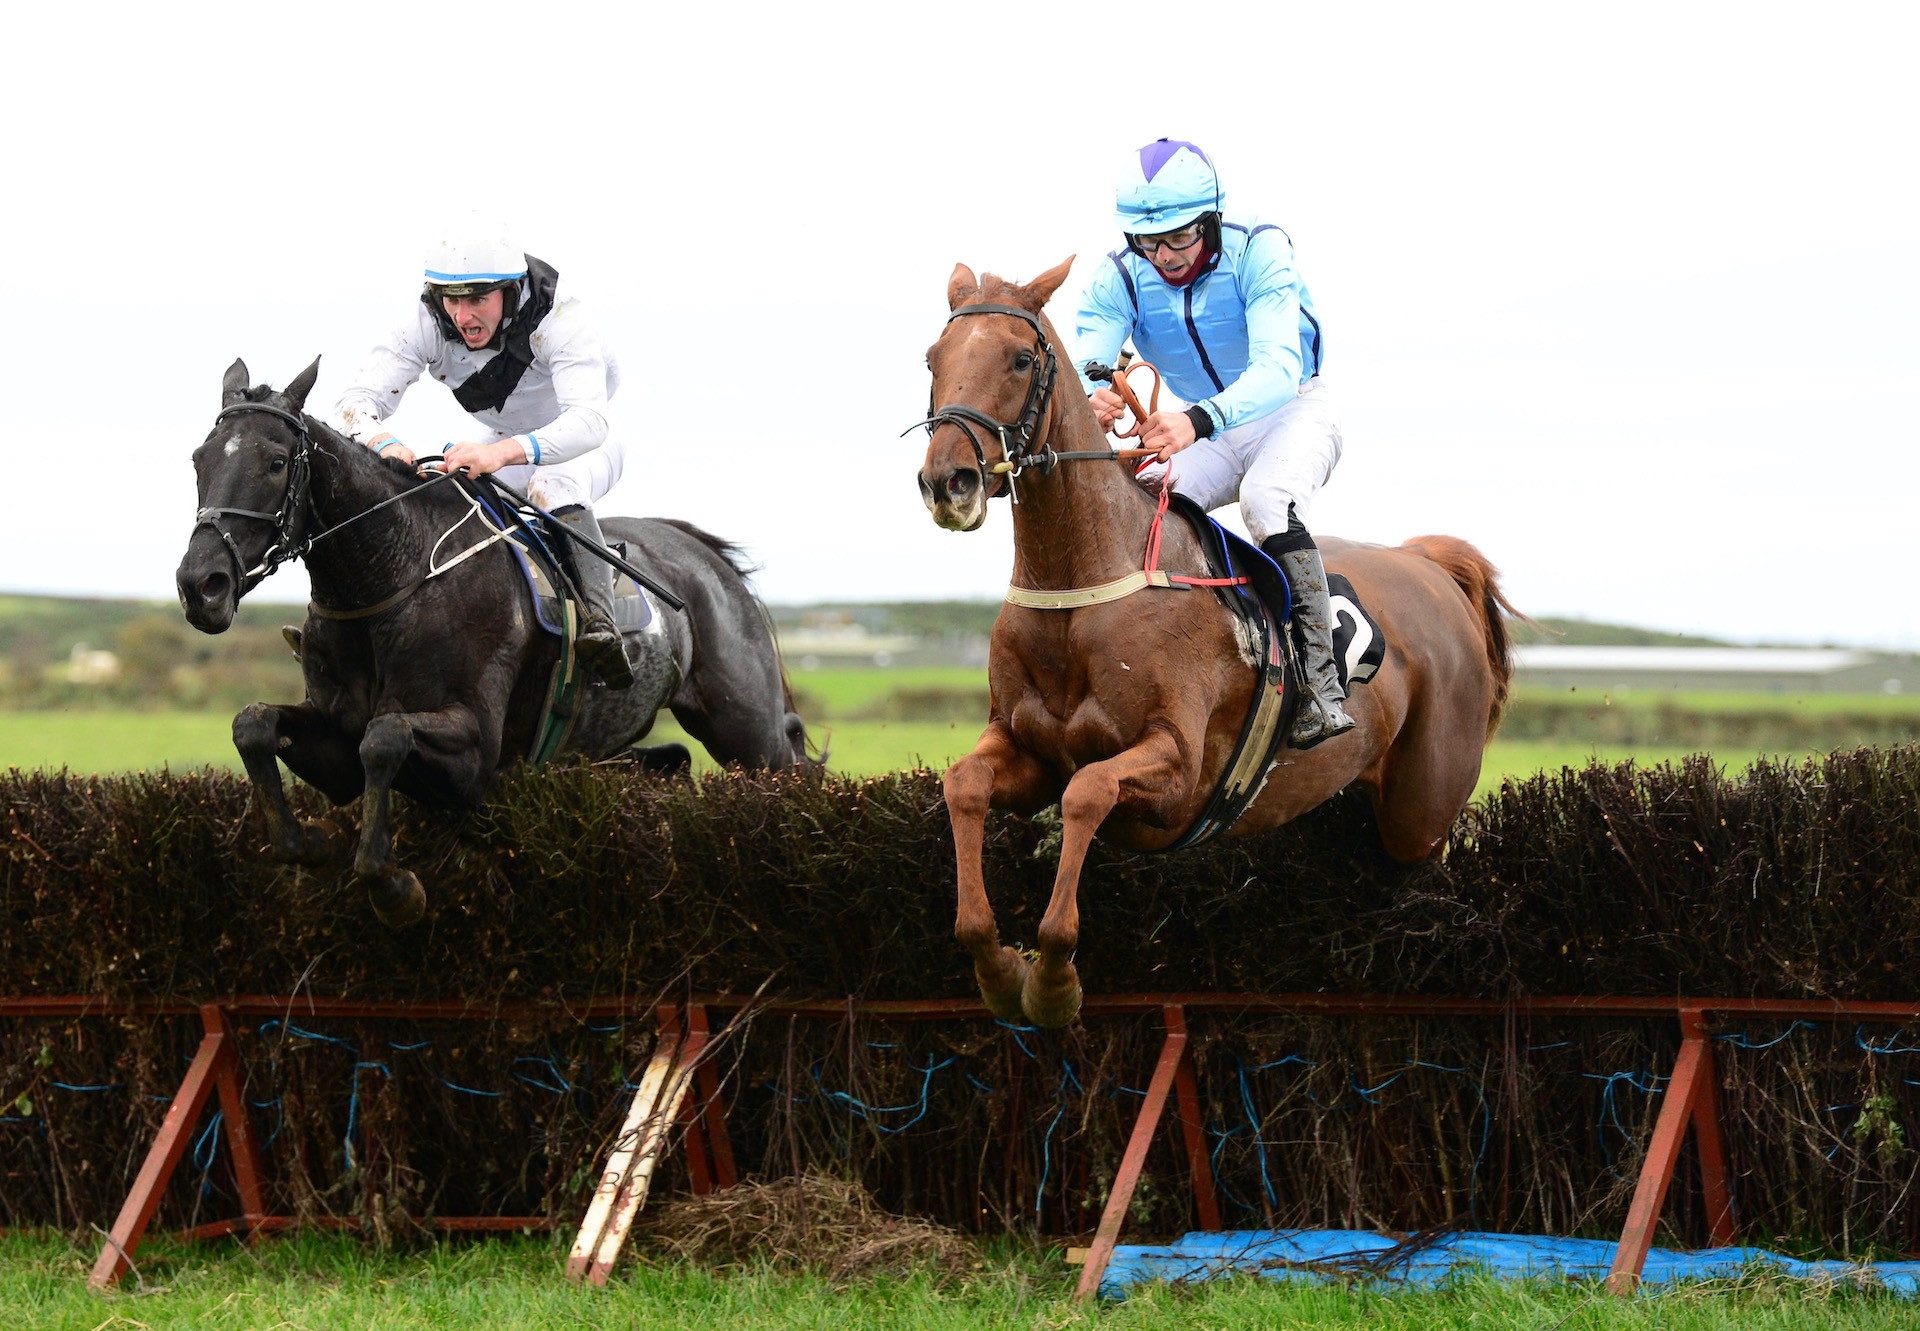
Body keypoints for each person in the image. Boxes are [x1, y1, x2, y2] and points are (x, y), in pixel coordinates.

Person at [1074, 138, 1355, 748]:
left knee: (1266, 498)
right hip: (1209, 424)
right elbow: (1090, 355)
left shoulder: (1261, 249)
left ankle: (1322, 683)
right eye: (1146, 243)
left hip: (1293, 410)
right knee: (1141, 502)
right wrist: (1093, 393)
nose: (1162, 257)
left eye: (1177, 237)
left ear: (1210, 220)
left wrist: (1197, 421)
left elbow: (1278, 369)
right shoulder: (1121, 274)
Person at [331, 221, 636, 688]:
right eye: (452, 300)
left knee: (552, 485)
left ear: (510, 293)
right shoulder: (427, 323)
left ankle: (601, 624)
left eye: (477, 299)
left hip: (583, 441)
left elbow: (589, 423)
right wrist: (386, 445)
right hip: (503, 436)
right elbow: (355, 401)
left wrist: (500, 455)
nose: (462, 315)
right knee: (438, 486)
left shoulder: (561, 322)